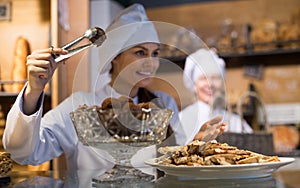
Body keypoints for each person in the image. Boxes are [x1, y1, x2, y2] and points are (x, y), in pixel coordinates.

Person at [3, 4, 225, 174]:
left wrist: (194, 144)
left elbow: (172, 163)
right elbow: (24, 153)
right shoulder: (81, 105)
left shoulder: (163, 104)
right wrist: (34, 89)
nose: (151, 62)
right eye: (140, 52)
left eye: (155, 53)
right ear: (115, 57)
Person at [180, 48, 252, 145]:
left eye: (215, 78)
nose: (210, 84)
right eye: (203, 78)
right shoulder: (181, 119)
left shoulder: (235, 121)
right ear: (194, 84)